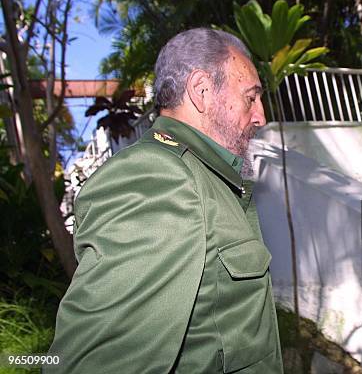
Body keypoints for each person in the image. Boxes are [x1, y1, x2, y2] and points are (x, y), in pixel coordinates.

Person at [46, 28, 284, 373]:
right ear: (202, 91)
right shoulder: (159, 176)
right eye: (251, 97)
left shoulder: (208, 177)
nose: (261, 116)